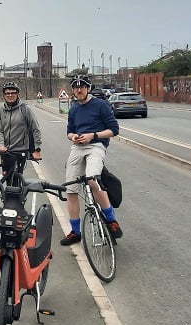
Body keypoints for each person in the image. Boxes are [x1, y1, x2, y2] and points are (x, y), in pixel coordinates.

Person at [60, 74, 123, 246]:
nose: (78, 90)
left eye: (82, 87)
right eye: (75, 87)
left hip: (96, 146)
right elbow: (69, 132)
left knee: (91, 178)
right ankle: (75, 232)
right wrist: (73, 137)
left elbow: (114, 129)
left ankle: (111, 219)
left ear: (88, 88)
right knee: (71, 189)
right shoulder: (73, 109)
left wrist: (93, 135)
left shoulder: (100, 105)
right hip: (77, 147)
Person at [0, 81, 42, 181]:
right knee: (7, 177)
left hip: (20, 151)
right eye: (7, 93)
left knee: (16, 178)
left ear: (17, 94)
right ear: (4, 95)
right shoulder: (0, 111)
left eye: (13, 93)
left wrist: (36, 149)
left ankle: (16, 196)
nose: (10, 95)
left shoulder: (25, 109)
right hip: (6, 151)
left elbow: (35, 129)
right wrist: (0, 145)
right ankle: (5, 196)